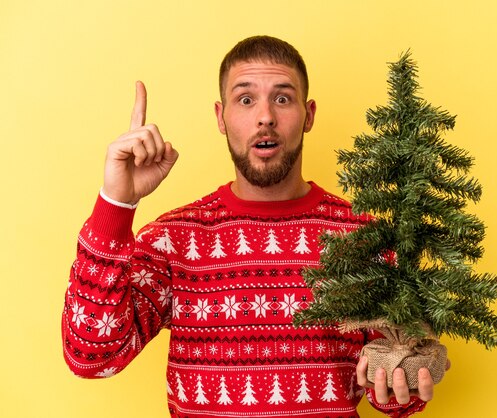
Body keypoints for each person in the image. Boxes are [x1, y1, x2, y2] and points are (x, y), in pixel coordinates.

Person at [62, 35, 443, 418]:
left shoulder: (364, 238)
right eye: (246, 100)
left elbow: (396, 388)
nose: (265, 117)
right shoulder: (173, 239)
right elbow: (92, 356)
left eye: (282, 98)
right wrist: (116, 202)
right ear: (220, 117)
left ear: (308, 115)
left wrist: (402, 385)